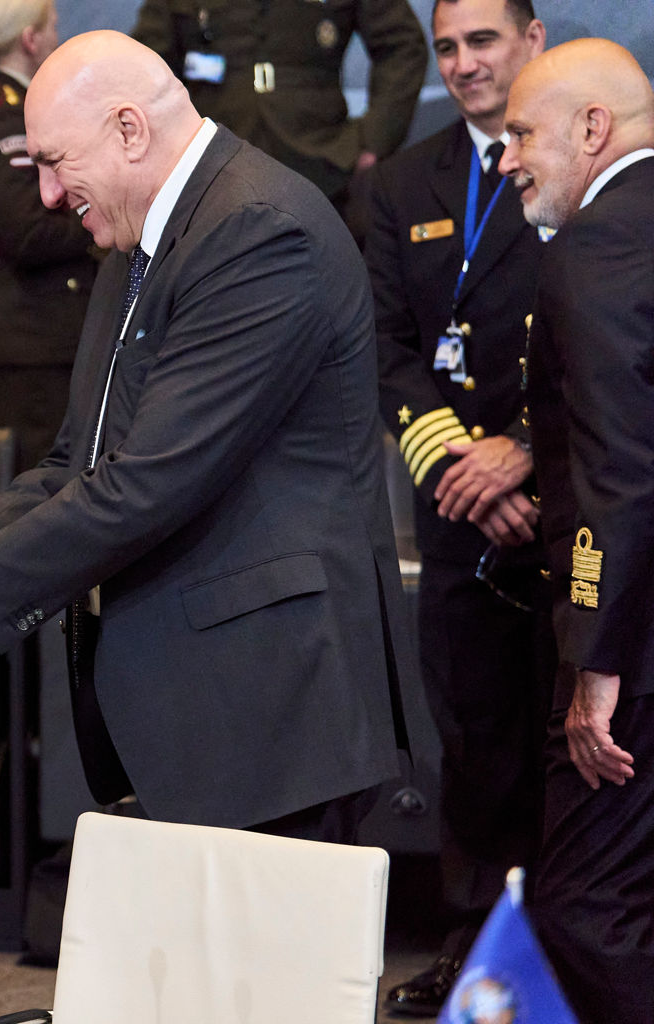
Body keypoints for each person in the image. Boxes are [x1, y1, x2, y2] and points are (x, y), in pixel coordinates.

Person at [0, 30, 411, 843]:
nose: (46, 195)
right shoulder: (139, 239)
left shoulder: (257, 230)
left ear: (128, 130)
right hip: (203, 717)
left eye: (54, 163)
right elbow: (75, 466)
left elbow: (149, 480)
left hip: (273, 718)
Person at [364, 0, 553, 1014]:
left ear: (532, 38)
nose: (462, 63)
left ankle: (571, 955)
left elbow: (604, 336)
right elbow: (386, 347)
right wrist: (459, 471)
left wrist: (525, 457)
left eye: (482, 40)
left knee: (570, 746)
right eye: (445, 46)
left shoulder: (574, 162)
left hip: (562, 506)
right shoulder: (401, 183)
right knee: (472, 746)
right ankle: (474, 958)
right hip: (454, 510)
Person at [499, 38, 654, 1023]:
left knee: (586, 910)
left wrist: (593, 656)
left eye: (522, 134)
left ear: (592, 127)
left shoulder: (594, 248)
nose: (506, 157)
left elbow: (615, 476)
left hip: (634, 650)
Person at [0, 0, 98, 473]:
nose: (57, 38)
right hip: (31, 340)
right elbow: (28, 232)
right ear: (30, 39)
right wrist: (101, 220)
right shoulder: (4, 117)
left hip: (25, 337)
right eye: (52, 27)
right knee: (43, 486)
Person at [130, 0, 428, 224]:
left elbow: (402, 46)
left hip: (322, 164)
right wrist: (169, 154)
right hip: (212, 163)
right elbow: (144, 65)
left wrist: (372, 141)